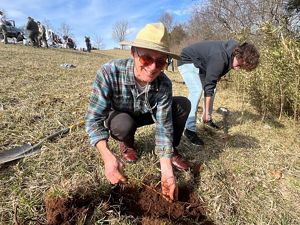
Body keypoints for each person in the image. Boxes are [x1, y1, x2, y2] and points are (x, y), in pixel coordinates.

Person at [85, 22, 191, 202]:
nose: (152, 68)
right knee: (123, 124)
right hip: (120, 115)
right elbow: (93, 119)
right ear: (133, 52)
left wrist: (167, 173)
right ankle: (127, 144)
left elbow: (164, 125)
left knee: (182, 104)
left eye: (160, 62)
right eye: (146, 59)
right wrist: (107, 156)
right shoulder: (109, 72)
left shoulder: (164, 84)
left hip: (147, 114)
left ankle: (170, 151)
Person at [177, 40, 260, 146]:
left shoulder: (233, 53)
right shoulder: (220, 57)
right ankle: (189, 129)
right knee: (196, 90)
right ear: (239, 56)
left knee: (213, 89)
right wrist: (206, 111)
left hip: (201, 64)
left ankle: (207, 120)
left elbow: (215, 78)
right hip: (187, 60)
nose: (239, 69)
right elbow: (209, 86)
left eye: (242, 68)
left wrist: (216, 77)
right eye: (240, 65)